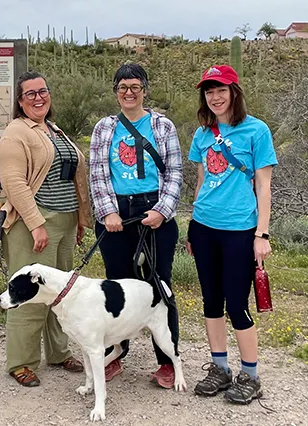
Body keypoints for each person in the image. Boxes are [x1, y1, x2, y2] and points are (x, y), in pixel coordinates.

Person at [187, 65, 277, 404]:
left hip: (240, 229)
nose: (215, 97)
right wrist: (193, 224)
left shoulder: (256, 131)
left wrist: (262, 234)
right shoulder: (202, 133)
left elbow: (265, 186)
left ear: (234, 92)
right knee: (211, 301)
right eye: (209, 91)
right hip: (204, 226)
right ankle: (221, 368)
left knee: (237, 304)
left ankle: (250, 375)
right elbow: (200, 180)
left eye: (221, 90)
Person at [89, 63, 183, 388]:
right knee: (118, 286)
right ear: (115, 91)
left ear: (144, 89)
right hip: (117, 212)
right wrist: (107, 212)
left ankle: (168, 360)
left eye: (134, 86)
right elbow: (98, 173)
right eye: (122, 87)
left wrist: (163, 210)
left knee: (159, 286)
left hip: (154, 209)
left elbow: (173, 173)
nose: (128, 93)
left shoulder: (162, 126)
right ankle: (116, 352)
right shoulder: (104, 128)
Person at [0, 70, 92, 387]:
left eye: (43, 91)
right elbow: (14, 182)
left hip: (64, 221)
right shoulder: (16, 132)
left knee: (61, 293)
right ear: (20, 101)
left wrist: (79, 219)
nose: (39, 98)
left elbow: (72, 177)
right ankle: (21, 361)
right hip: (33, 223)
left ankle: (58, 352)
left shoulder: (53, 129)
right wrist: (36, 223)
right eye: (30, 94)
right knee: (28, 292)